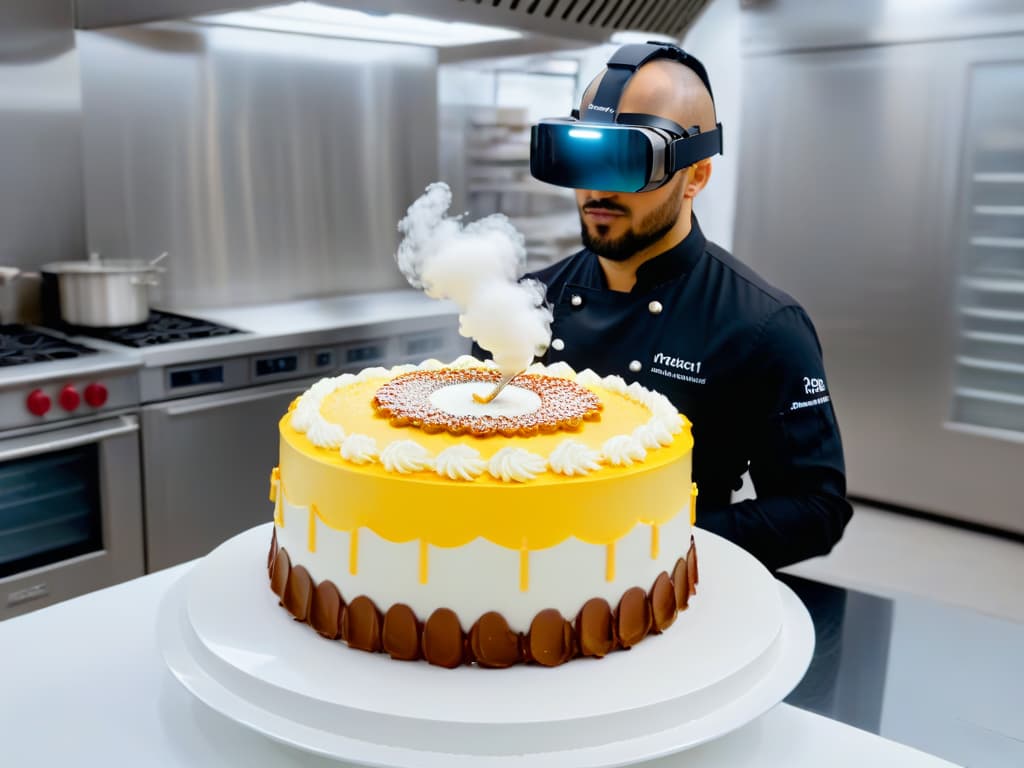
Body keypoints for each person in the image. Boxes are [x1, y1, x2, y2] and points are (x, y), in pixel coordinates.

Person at [523, 43, 852, 571]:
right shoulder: (527, 304)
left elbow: (815, 509)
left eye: (629, 161)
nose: (597, 190)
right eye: (586, 156)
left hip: (674, 591)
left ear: (695, 176)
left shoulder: (764, 326)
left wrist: (651, 540)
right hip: (523, 576)